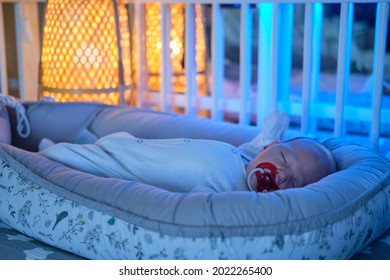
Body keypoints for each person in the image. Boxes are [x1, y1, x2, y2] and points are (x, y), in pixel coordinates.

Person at [38, 111, 337, 193]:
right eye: (284, 159)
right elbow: (262, 138)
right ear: (270, 149)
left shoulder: (228, 189)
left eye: (295, 183)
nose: (283, 177)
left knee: (66, 159)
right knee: (112, 140)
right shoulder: (249, 156)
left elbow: (194, 211)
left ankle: (47, 151)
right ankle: (84, 138)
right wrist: (274, 130)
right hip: (134, 144)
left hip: (119, 166)